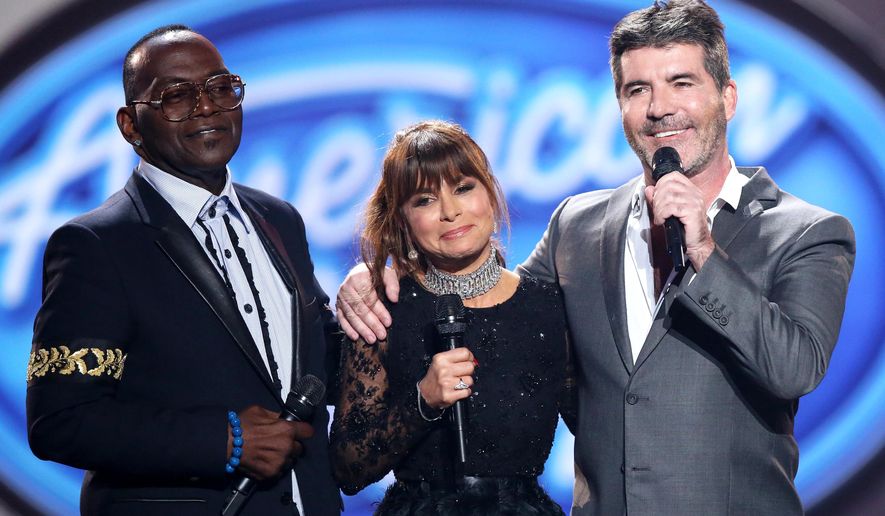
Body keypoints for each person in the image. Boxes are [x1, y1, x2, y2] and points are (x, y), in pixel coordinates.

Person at [335, 2, 856, 515]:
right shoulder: (577, 226)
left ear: (728, 97)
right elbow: (498, 301)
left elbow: (795, 368)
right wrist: (376, 272)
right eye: (638, 90)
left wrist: (703, 250)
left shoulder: (806, 232)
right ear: (620, 106)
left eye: (682, 83)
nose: (659, 108)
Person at [26, 25, 341, 515]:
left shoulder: (278, 218)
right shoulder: (96, 245)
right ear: (130, 126)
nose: (208, 107)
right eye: (176, 95)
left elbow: (320, 363)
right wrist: (226, 440)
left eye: (221, 88)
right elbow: (63, 421)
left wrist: (384, 308)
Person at [329, 120, 576, 514]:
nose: (450, 211)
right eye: (424, 200)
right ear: (403, 220)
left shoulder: (549, 306)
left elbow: (603, 426)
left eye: (463, 188)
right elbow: (348, 467)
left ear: (490, 194)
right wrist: (423, 400)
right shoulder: (381, 311)